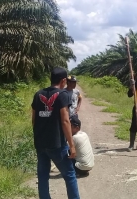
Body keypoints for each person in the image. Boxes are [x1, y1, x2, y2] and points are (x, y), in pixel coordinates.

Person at [31, 67, 80, 199]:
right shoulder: (62, 94)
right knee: (70, 175)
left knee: (42, 176)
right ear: (63, 80)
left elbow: (34, 120)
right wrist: (72, 145)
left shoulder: (38, 94)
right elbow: (65, 121)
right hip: (57, 144)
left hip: (40, 144)